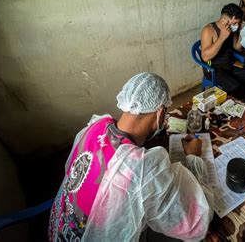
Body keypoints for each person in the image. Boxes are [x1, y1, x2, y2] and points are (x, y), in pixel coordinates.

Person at [48, 72, 214, 241]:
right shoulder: (138, 166)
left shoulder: (97, 124)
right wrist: (193, 159)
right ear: (160, 112)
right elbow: (195, 224)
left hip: (59, 229)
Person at [200, 3, 245, 101]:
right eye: (235, 23)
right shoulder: (208, 30)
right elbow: (205, 57)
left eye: (238, 23)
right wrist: (222, 38)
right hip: (214, 69)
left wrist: (242, 32)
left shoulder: (231, 29)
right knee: (236, 88)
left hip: (230, 64)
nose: (236, 25)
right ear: (227, 19)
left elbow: (237, 48)